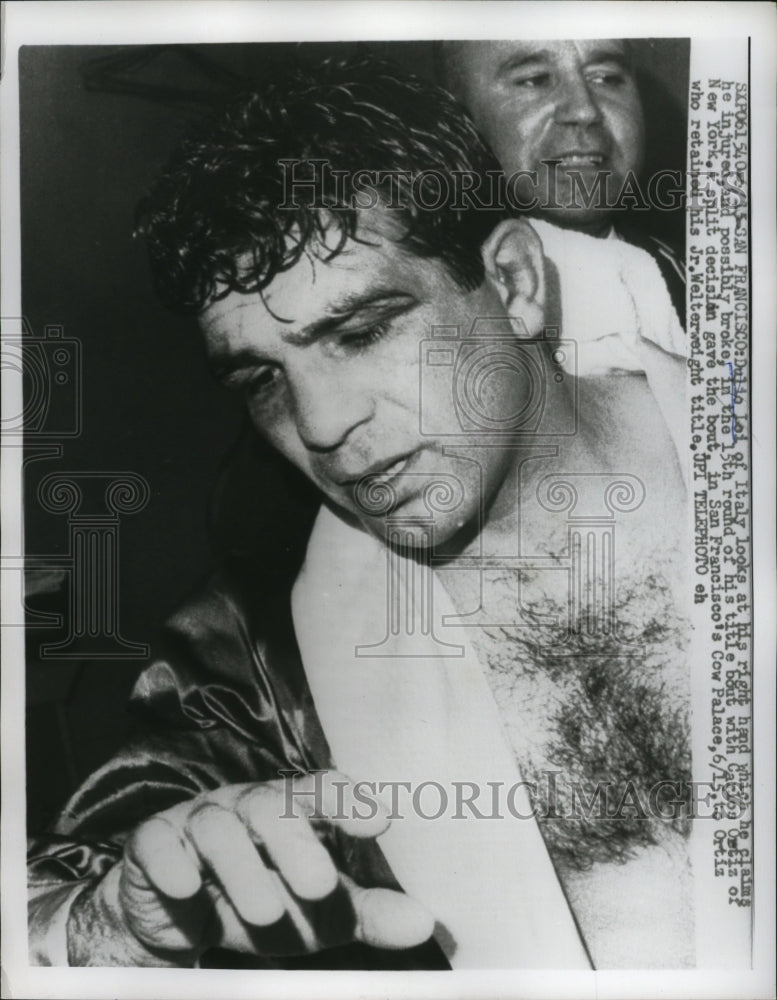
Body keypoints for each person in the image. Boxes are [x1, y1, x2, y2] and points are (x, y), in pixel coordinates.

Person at [27, 55, 693, 970]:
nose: (320, 425)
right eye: (263, 378)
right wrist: (115, 926)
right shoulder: (254, 653)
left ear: (513, 282)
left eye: (361, 330)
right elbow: (46, 900)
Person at [436, 39, 687, 323]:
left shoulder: (700, 280)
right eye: (535, 80)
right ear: (456, 114)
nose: (585, 111)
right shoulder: (427, 298)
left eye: (607, 78)